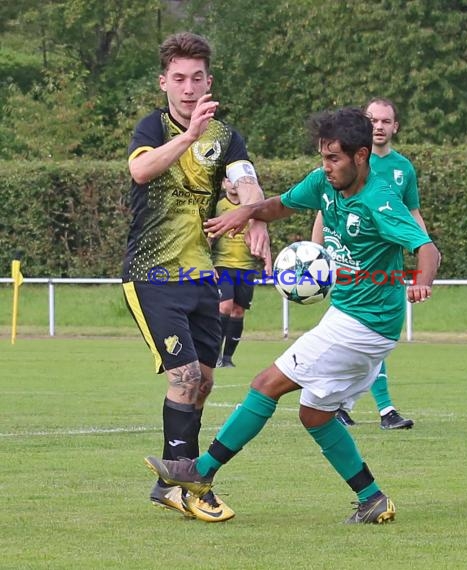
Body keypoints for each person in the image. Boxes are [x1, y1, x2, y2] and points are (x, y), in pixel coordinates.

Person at [143, 107, 440, 524]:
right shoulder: (324, 183)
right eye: (322, 157)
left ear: (360, 156)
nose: (326, 167)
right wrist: (244, 213)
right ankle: (372, 498)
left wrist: (422, 281)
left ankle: (200, 471)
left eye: (334, 158)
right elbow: (280, 205)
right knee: (314, 414)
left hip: (366, 324)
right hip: (352, 318)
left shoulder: (380, 202)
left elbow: (427, 248)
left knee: (266, 384)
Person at [122, 31, 269, 522]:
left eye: (197, 78)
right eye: (179, 79)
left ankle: (171, 483)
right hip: (152, 274)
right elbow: (142, 174)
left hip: (201, 275)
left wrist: (257, 217)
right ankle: (183, 481)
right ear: (164, 82)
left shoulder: (226, 136)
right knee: (182, 375)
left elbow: (248, 185)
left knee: (203, 381)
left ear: (209, 80)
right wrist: (185, 138)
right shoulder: (151, 127)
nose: (188, 88)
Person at [312, 97, 430, 430]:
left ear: (395, 127)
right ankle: (380, 409)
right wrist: (316, 255)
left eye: (385, 121)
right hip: (349, 263)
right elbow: (325, 208)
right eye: (372, 120)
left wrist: (425, 252)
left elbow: (412, 213)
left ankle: (344, 405)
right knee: (364, 337)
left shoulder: (402, 168)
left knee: (370, 339)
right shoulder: (348, 162)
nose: (378, 126)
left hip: (384, 264)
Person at [213, 177, 269, 368]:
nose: (232, 183)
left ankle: (228, 358)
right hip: (222, 265)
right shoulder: (218, 206)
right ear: (223, 184)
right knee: (225, 307)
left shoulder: (251, 207)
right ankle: (215, 354)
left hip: (246, 268)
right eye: (227, 180)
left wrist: (268, 262)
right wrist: (206, 261)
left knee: (238, 311)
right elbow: (207, 234)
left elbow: (262, 234)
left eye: (235, 180)